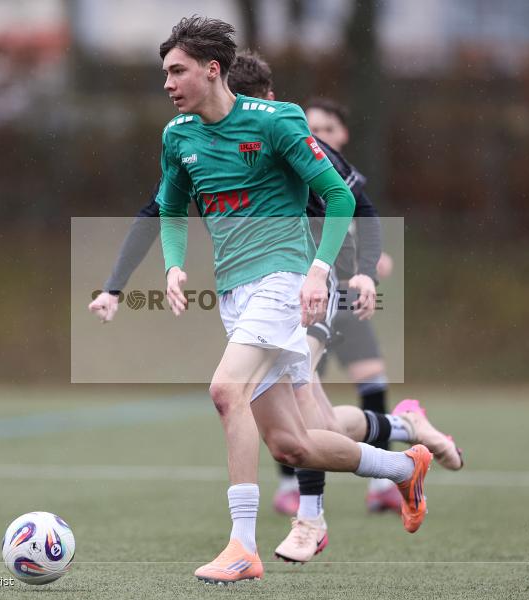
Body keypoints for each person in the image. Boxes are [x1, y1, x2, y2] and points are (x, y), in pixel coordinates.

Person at [154, 17, 436, 585]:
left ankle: (241, 545)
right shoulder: (177, 135)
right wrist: (174, 263)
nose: (167, 82)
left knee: (224, 389)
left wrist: (317, 271)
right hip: (236, 293)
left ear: (212, 69)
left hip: (284, 281)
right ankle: (403, 467)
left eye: (177, 70)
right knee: (294, 443)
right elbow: (170, 205)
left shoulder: (279, 121)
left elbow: (336, 196)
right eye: (164, 72)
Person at [304, 97, 404, 514]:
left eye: (327, 129)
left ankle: (382, 478)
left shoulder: (345, 179)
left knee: (370, 381)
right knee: (297, 397)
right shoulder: (296, 168)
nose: (318, 136)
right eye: (313, 129)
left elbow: (366, 220)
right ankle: (297, 489)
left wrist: (368, 267)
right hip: (304, 297)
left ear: (342, 134)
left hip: (341, 297)